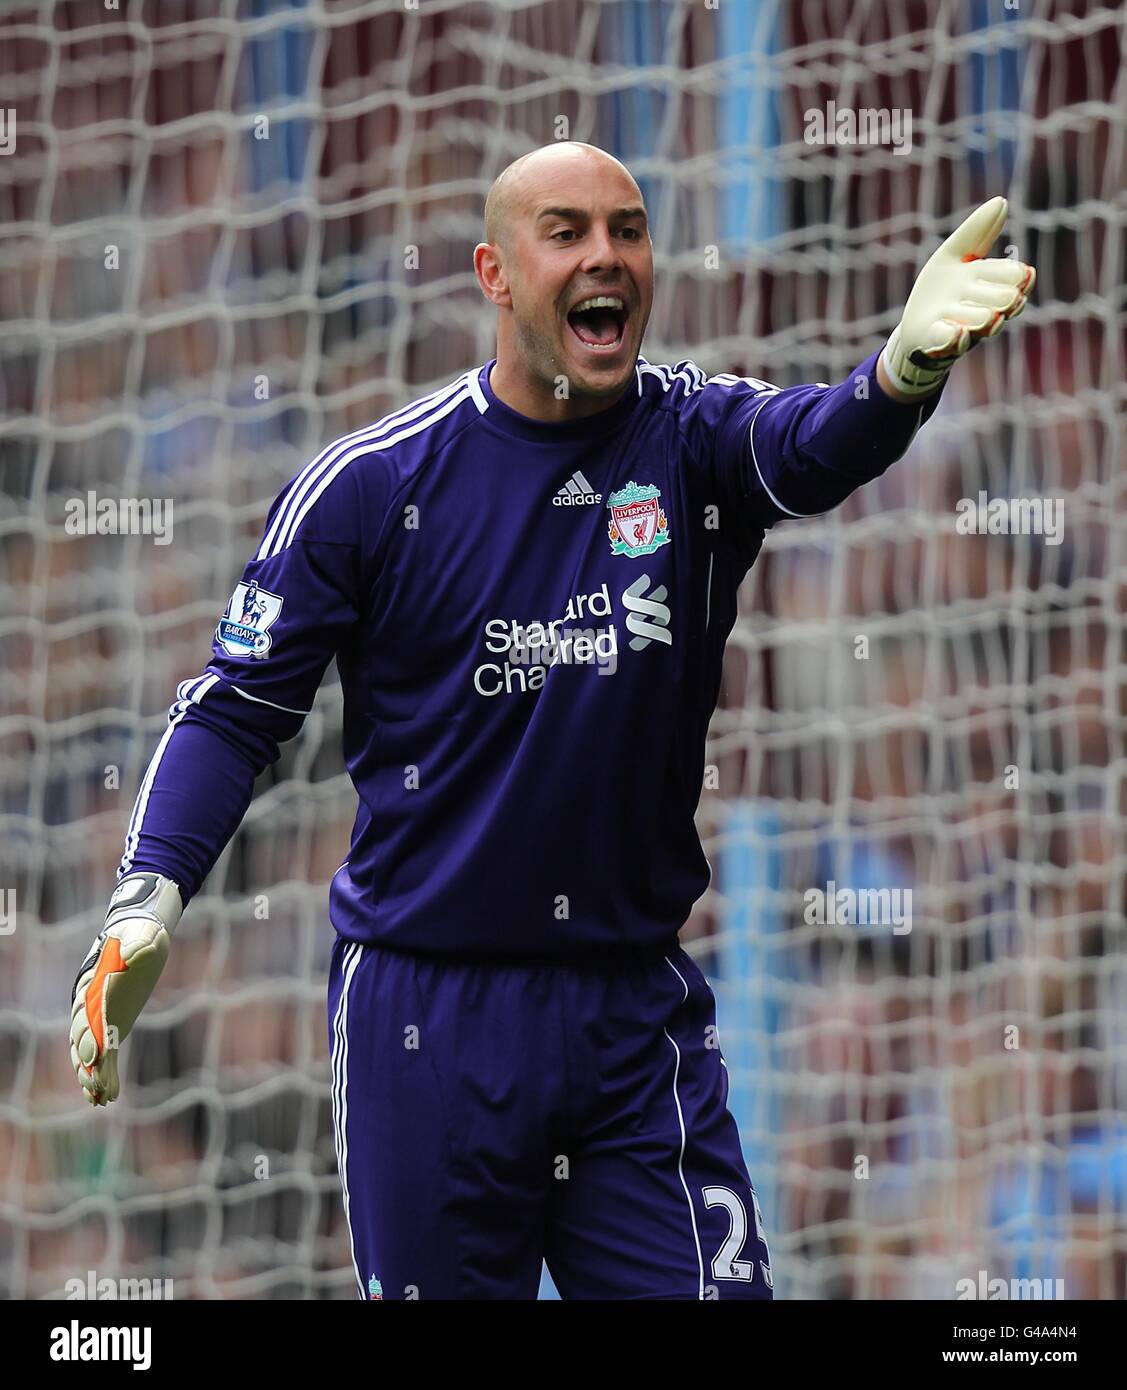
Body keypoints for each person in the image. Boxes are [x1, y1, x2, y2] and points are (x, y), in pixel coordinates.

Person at [69, 141, 1033, 1300]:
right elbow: (235, 711)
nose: (606, 257)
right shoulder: (370, 487)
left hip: (630, 1016)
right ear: (493, 272)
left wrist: (895, 378)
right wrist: (148, 898)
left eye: (626, 230)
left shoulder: (689, 440)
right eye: (567, 232)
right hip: (425, 1019)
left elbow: (809, 447)